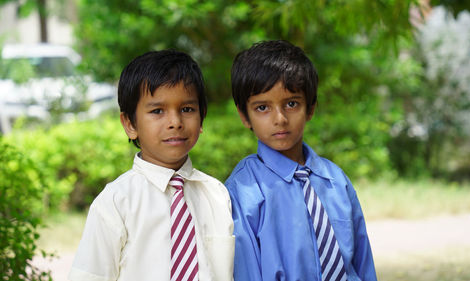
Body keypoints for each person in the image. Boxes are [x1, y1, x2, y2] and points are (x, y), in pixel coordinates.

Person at [69, 50, 234, 281]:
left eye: (187, 109)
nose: (175, 122)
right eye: (157, 111)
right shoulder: (116, 203)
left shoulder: (217, 194)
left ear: (202, 117)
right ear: (129, 123)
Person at [225, 40, 377, 281]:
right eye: (263, 107)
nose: (280, 119)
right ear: (244, 115)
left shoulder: (336, 180)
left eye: (292, 104)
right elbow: (247, 271)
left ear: (311, 108)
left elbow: (362, 260)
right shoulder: (243, 190)